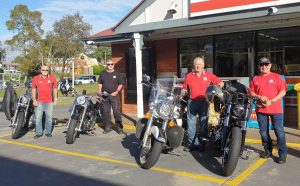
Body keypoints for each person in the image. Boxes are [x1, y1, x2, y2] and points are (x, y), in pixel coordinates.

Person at [249, 57, 287, 164]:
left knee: (279, 132)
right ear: (259, 66)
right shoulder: (255, 78)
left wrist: (272, 101)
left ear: (270, 65)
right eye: (262, 65)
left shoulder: (277, 77)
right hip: (261, 110)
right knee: (263, 132)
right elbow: (251, 92)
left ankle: (282, 154)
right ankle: (267, 150)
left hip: (276, 109)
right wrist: (259, 97)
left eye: (266, 64)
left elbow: (283, 91)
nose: (264, 67)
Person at [183, 56, 224, 151]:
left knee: (203, 123)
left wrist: (216, 87)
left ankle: (202, 144)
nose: (198, 66)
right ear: (194, 65)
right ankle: (192, 144)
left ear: (203, 65)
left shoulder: (209, 75)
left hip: (204, 102)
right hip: (192, 102)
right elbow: (184, 88)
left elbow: (221, 83)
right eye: (196, 64)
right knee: (191, 123)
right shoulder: (188, 75)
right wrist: (182, 92)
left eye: (200, 64)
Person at [98, 60, 125, 134]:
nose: (110, 65)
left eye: (111, 64)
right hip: (104, 96)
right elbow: (100, 84)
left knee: (117, 112)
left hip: (114, 96)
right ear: (106, 65)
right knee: (105, 112)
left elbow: (121, 84)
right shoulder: (103, 73)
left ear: (113, 65)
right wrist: (99, 93)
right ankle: (107, 127)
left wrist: (116, 92)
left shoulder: (117, 73)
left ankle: (119, 127)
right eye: (108, 64)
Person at [32, 65, 58, 139]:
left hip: (49, 102)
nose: (45, 71)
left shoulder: (52, 78)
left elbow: (55, 89)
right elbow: (33, 89)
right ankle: (39, 132)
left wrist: (55, 100)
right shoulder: (36, 78)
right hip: (39, 102)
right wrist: (34, 100)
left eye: (46, 70)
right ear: (41, 70)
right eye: (43, 70)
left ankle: (48, 132)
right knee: (38, 118)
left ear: (48, 71)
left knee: (49, 118)